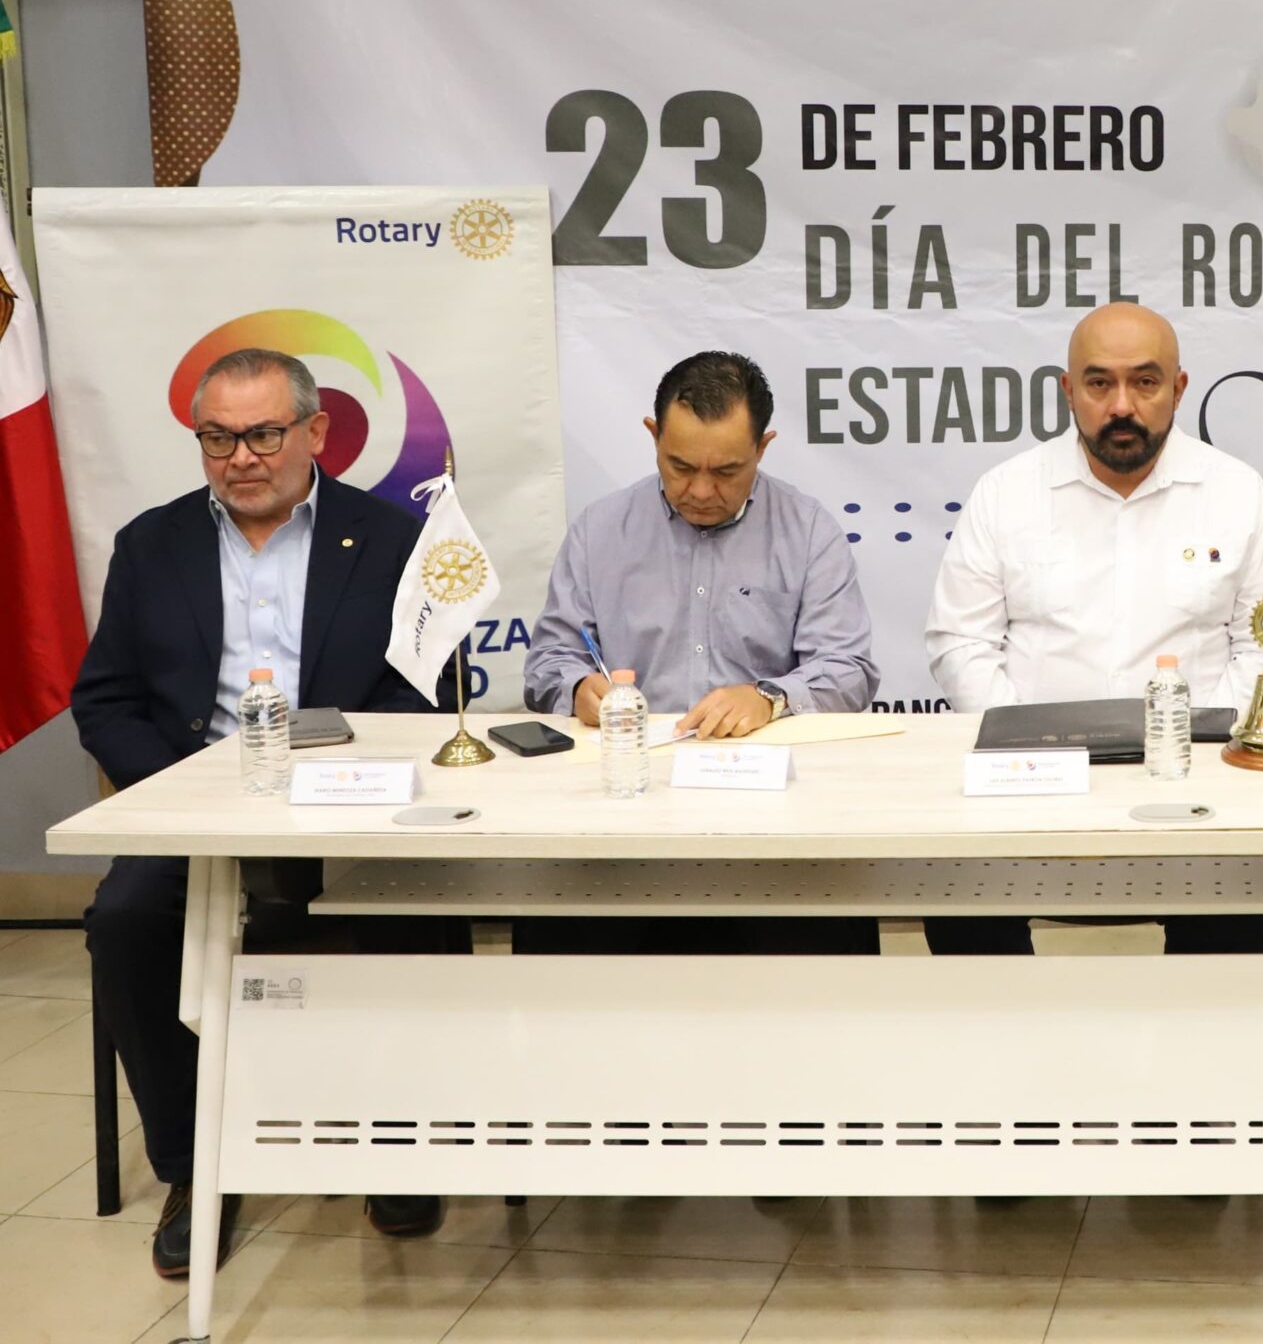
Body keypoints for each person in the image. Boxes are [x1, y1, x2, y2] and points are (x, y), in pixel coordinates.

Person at [73, 347, 449, 1278]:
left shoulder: (390, 539)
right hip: (198, 809)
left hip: (347, 809)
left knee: (416, 912)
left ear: (316, 432)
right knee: (125, 919)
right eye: (217, 438)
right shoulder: (151, 545)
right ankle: (195, 1165)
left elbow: (423, 696)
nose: (240, 457)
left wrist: (342, 782)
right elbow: (106, 700)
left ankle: (399, 1143)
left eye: (263, 435)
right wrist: (182, 793)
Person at [924, 301, 1263, 955]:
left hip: (1202, 787)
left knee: (1231, 924)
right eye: (1100, 383)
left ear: (1178, 388)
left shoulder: (1237, 494)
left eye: (1145, 382)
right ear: (1069, 391)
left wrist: (1199, 752)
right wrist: (1029, 749)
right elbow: (961, 641)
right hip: (1029, 785)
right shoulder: (1006, 493)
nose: (1122, 405)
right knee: (957, 903)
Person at [521, 350, 880, 953]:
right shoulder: (599, 530)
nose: (701, 491)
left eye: (728, 471)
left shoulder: (808, 531)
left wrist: (770, 697)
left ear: (763, 448)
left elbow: (849, 670)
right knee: (556, 931)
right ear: (653, 436)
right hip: (625, 805)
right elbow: (548, 662)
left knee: (825, 938)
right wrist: (577, 689)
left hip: (768, 812)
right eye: (680, 466)